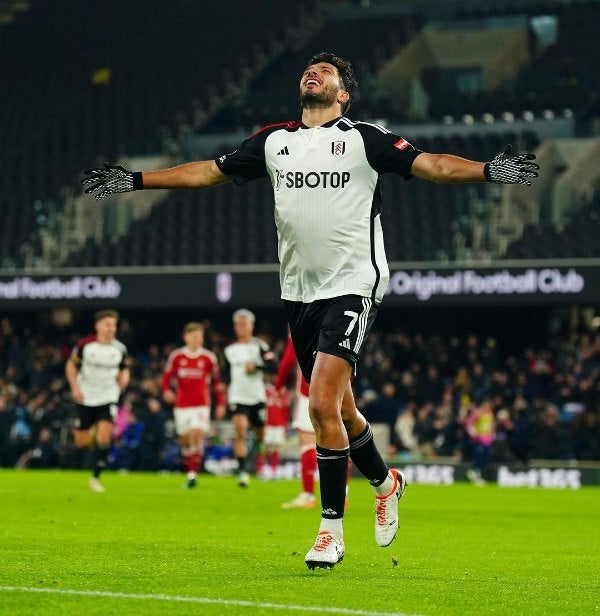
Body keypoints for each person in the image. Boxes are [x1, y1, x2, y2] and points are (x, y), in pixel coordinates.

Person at [81, 51, 539, 567]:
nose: (313, 71)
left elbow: (431, 164)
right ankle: (386, 483)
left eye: (327, 71)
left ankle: (330, 531)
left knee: (320, 404)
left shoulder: (364, 138)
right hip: (298, 292)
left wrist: (489, 172)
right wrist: (135, 180)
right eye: (310, 68)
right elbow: (208, 172)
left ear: (343, 92)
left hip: (353, 284)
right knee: (340, 410)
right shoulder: (275, 142)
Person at [65, 309, 130, 492]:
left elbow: (125, 367)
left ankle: (95, 478)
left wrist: (124, 377)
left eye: (114, 325)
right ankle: (93, 430)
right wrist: (75, 388)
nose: (111, 328)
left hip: (108, 396)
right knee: (81, 442)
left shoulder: (119, 349)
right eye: (107, 324)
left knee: (104, 436)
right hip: (86, 396)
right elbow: (71, 365)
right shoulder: (85, 346)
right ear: (98, 326)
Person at [162, 321, 226, 488]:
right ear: (186, 337)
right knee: (184, 441)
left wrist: (220, 404)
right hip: (181, 405)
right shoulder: (177, 356)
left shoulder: (208, 358)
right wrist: (166, 390)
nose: (197, 339)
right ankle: (190, 463)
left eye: (200, 336)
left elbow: (217, 383)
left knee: (196, 436)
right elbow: (166, 378)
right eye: (194, 336)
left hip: (201, 405)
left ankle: (192, 475)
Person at [223, 309, 277, 487]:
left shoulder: (260, 346)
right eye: (238, 324)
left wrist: (257, 366)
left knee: (260, 435)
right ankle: (243, 472)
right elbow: (224, 375)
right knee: (240, 431)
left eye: (244, 324)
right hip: (237, 397)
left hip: (256, 397)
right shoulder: (229, 350)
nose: (241, 328)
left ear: (251, 326)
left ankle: (260, 456)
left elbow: (273, 367)